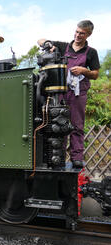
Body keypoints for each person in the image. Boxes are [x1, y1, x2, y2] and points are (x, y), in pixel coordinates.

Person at [37, 20, 100, 168]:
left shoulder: (91, 52)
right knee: (59, 123)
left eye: (82, 33)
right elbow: (39, 40)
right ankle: (58, 157)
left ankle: (76, 157)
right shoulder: (63, 46)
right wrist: (48, 44)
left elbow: (96, 74)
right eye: (77, 32)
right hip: (60, 91)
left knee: (77, 125)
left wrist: (84, 71)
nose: (78, 35)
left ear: (88, 34)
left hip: (78, 92)